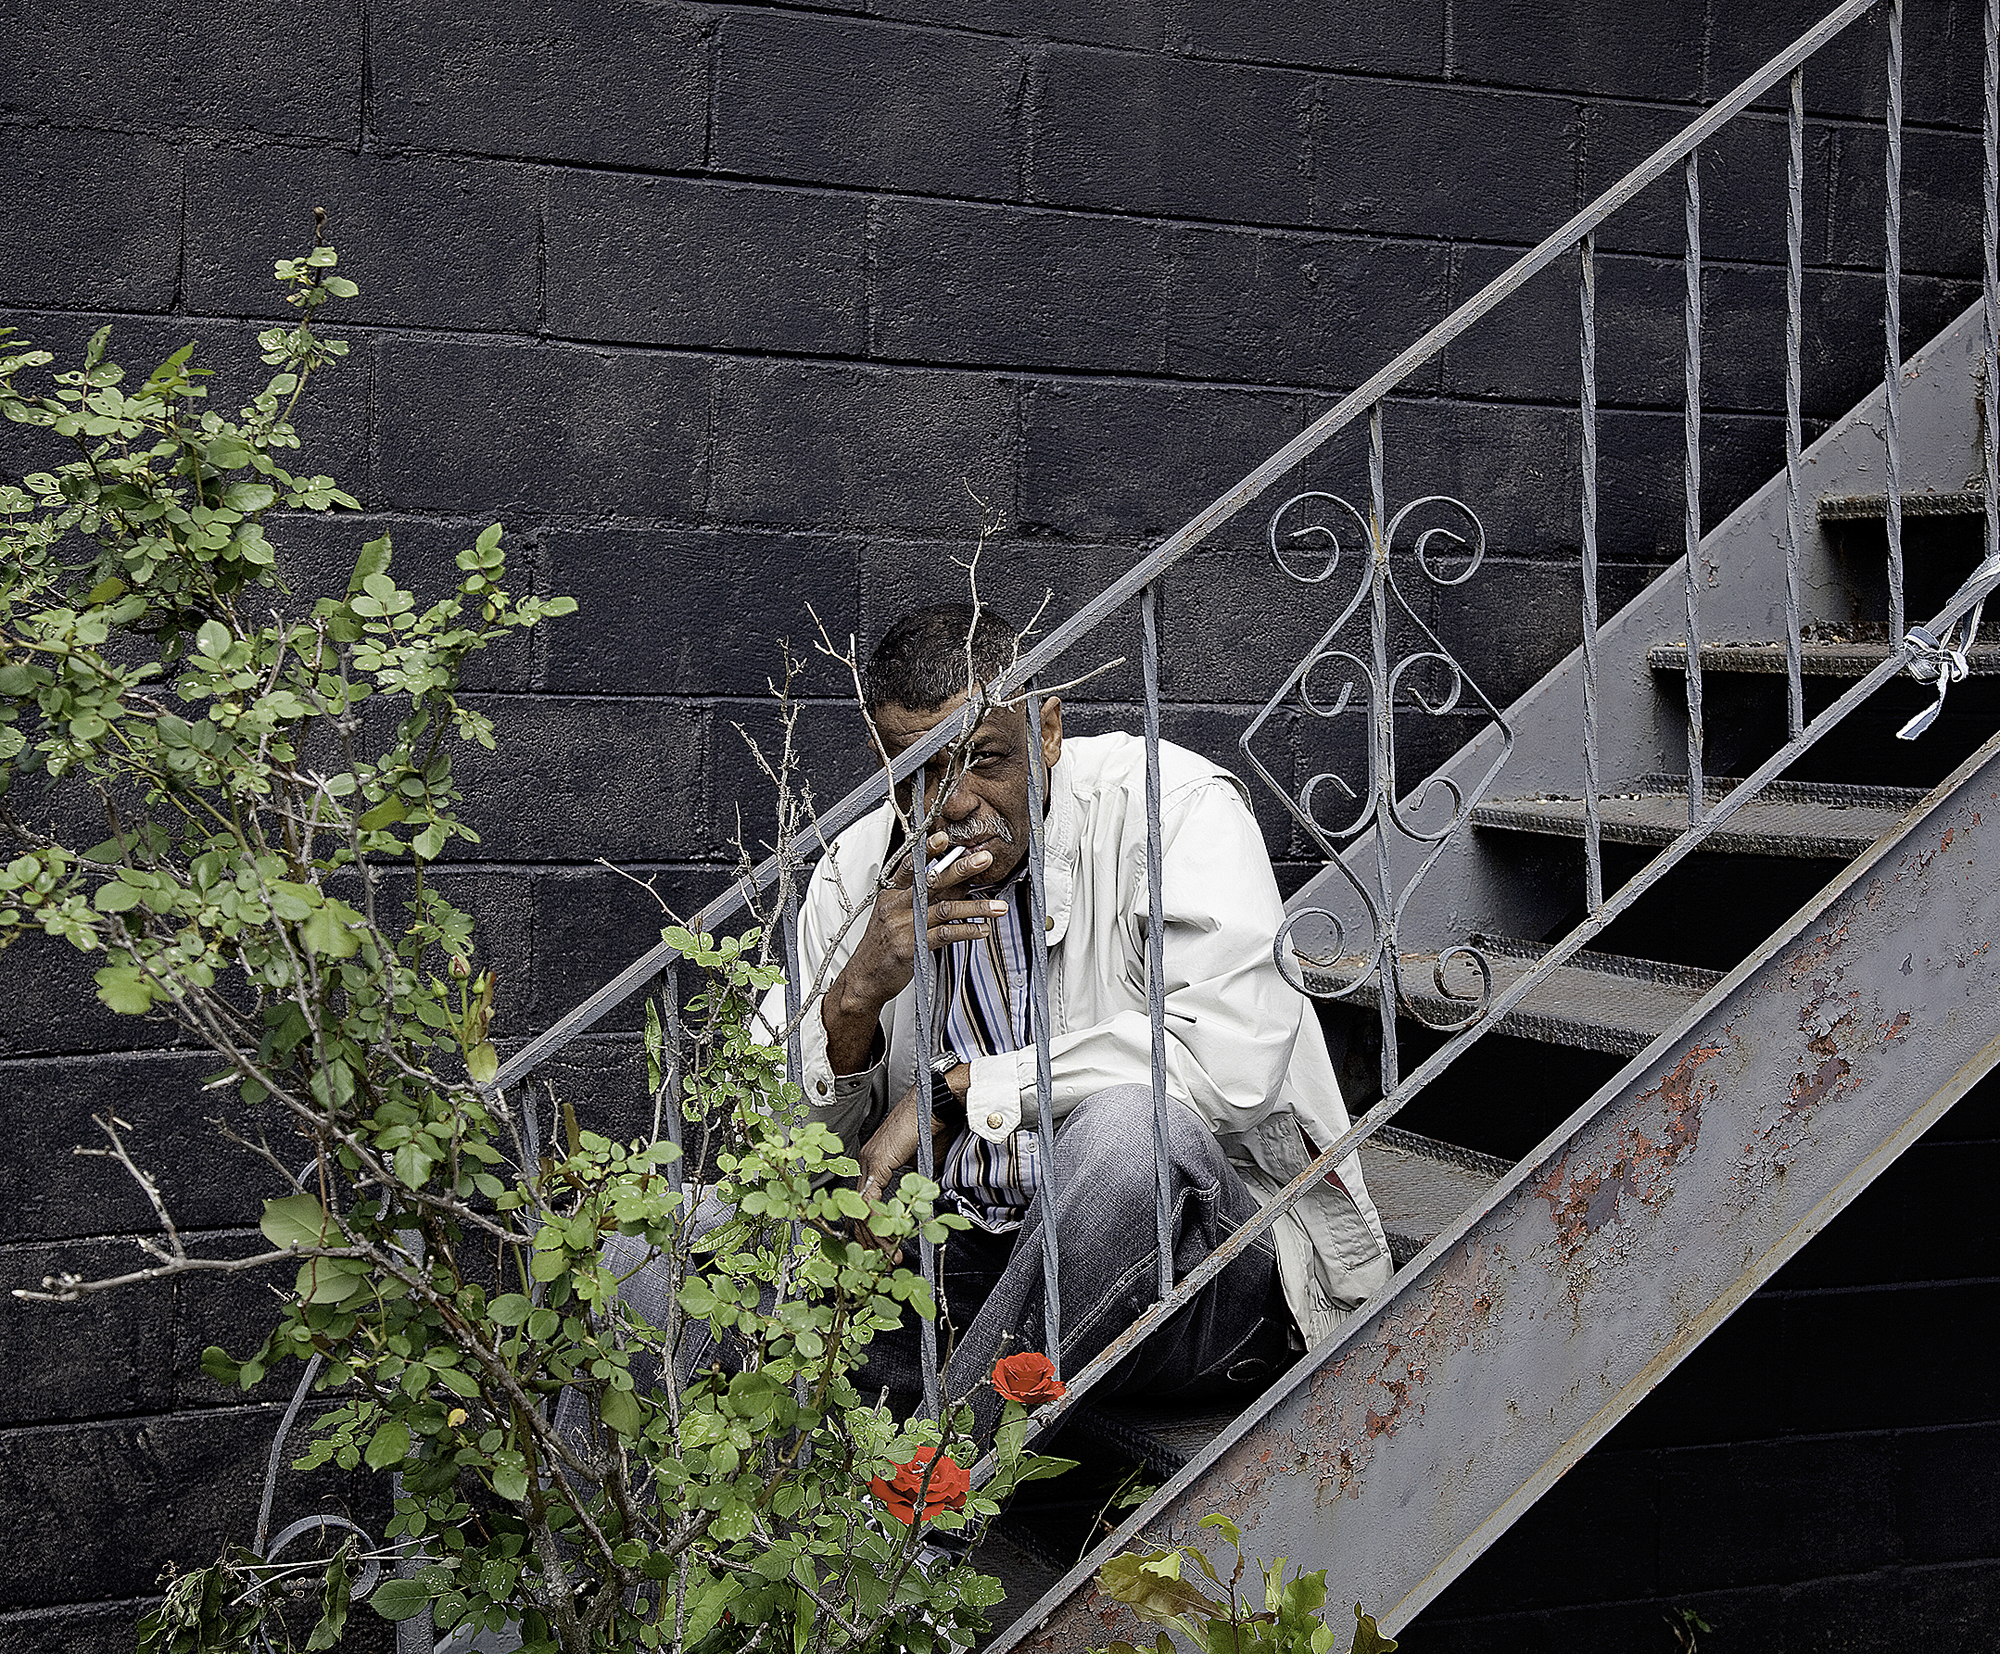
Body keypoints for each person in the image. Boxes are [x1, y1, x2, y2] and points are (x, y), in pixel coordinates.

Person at [776, 602, 1391, 1425]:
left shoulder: (1171, 809)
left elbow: (1224, 1065)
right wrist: (852, 1006)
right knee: (684, 1244)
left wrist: (957, 1094)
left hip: (1193, 1280)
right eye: (915, 770)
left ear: (1049, 729)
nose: (948, 804)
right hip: (960, 1269)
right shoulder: (859, 874)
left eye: (982, 758)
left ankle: (927, 1498)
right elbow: (777, 1156)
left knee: (1131, 1133)